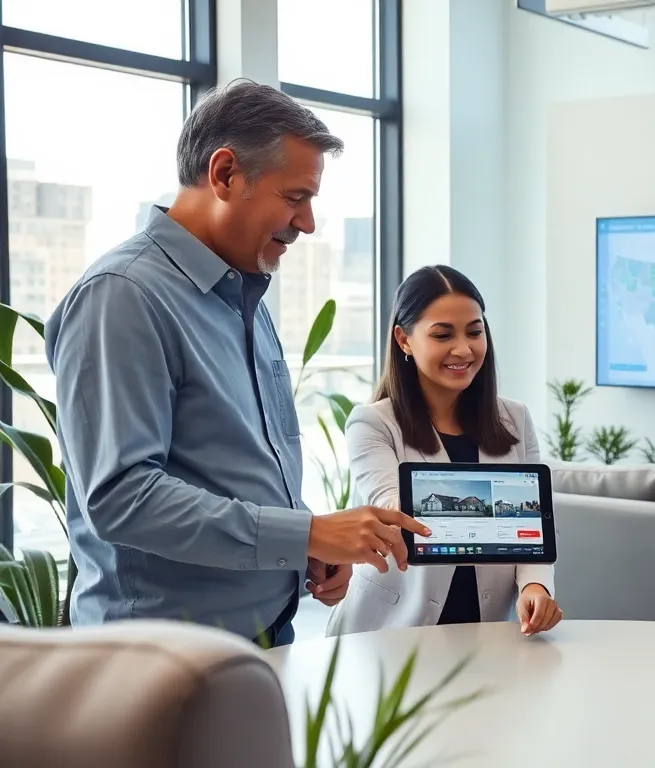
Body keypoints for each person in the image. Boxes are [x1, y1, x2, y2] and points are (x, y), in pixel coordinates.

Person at [45, 79, 430, 647]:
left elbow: (237, 464)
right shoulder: (122, 296)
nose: (307, 224)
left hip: (259, 642)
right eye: (295, 197)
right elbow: (123, 497)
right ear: (224, 174)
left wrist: (308, 550)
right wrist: (303, 533)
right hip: (161, 662)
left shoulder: (244, 292)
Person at [326, 265, 562, 636]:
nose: (463, 349)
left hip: (486, 632)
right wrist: (498, 515)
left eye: (475, 331)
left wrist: (535, 584)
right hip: (387, 632)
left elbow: (535, 523)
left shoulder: (515, 419)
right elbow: (397, 511)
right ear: (403, 340)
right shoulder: (372, 423)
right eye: (442, 335)